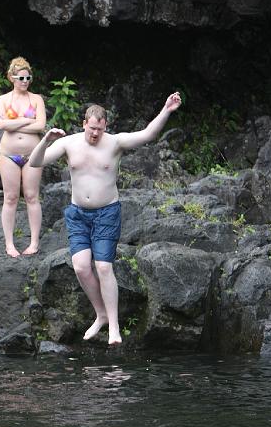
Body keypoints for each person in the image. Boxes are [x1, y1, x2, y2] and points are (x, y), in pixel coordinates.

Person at [29, 91, 182, 345]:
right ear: (84, 124)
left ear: (105, 126)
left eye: (99, 129)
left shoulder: (114, 143)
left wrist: (166, 109)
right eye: (91, 129)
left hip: (106, 212)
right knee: (80, 266)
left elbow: (147, 135)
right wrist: (45, 139)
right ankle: (100, 314)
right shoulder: (69, 143)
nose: (95, 134)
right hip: (78, 214)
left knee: (103, 266)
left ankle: (114, 327)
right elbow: (35, 162)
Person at [0, 56, 46, 257]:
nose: (25, 82)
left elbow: (40, 125)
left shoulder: (36, 99)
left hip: (33, 154)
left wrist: (15, 121)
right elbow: (1, 125)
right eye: (21, 78)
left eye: (28, 78)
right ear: (12, 78)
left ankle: (34, 242)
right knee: (11, 197)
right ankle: (9, 244)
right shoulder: (3, 100)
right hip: (9, 155)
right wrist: (27, 120)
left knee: (32, 196)